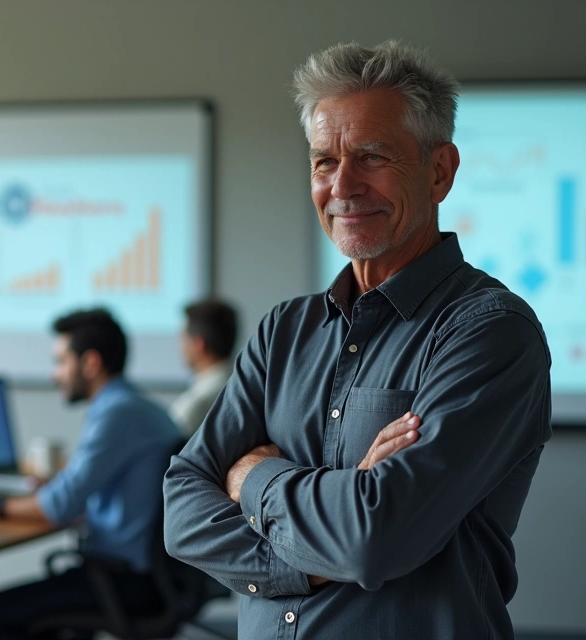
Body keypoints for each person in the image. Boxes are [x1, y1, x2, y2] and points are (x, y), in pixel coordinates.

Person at [163, 40, 552, 639]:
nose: (343, 185)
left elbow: (374, 541)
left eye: (371, 157)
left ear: (440, 171)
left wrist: (252, 478)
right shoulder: (284, 331)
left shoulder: (491, 331)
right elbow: (182, 510)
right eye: (324, 161)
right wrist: (324, 543)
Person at [0, 308, 180, 640]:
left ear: (91, 363)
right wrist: (56, 489)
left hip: (124, 580)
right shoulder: (142, 408)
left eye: (61, 362)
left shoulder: (117, 414)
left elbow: (61, 505)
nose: (55, 375)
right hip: (148, 576)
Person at [170, 298, 238, 435]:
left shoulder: (193, 406)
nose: (180, 346)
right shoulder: (247, 386)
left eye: (183, 338)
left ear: (198, 345)